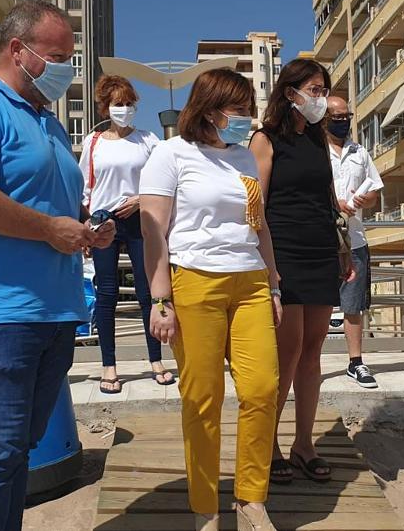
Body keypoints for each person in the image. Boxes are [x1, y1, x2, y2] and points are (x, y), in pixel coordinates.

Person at [0, 0, 116, 531]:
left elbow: (48, 207)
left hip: (50, 311)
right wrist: (48, 228)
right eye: (58, 56)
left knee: (15, 452)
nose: (67, 68)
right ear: (18, 50)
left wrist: (83, 225)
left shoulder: (48, 124)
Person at [139, 67, 284, 531]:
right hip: (194, 282)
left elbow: (257, 226)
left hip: (251, 284)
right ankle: (205, 505)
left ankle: (250, 499)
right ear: (208, 107)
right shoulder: (170, 154)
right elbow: (153, 231)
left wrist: (274, 283)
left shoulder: (244, 157)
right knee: (203, 399)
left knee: (262, 389)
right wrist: (160, 298)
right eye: (237, 110)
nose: (246, 118)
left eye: (248, 110)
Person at [249, 58, 352, 485]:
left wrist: (342, 244)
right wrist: (269, 270)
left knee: (313, 355)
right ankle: (267, 444)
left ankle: (304, 444)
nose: (322, 99)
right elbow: (257, 209)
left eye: (324, 89)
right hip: (284, 254)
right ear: (290, 93)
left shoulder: (316, 137)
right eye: (314, 89)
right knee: (285, 355)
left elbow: (327, 197)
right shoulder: (264, 139)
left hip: (320, 251)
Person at [79, 74, 174, 394]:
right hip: (104, 221)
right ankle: (109, 366)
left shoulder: (148, 140)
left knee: (149, 291)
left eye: (130, 103)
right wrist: (86, 229)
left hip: (139, 218)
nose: (125, 109)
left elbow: (165, 181)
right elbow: (84, 188)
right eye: (119, 104)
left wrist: (140, 199)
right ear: (105, 107)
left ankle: (156, 360)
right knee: (106, 293)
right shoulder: (92, 143)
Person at [325, 95, 384, 388]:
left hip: (355, 238)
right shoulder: (315, 151)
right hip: (321, 240)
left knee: (353, 304)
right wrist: (334, 203)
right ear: (324, 118)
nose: (343, 121)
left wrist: (365, 198)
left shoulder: (360, 152)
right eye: (337, 117)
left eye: (346, 115)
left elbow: (375, 191)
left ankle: (356, 362)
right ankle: (306, 364)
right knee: (317, 305)